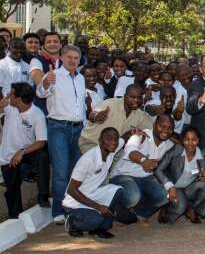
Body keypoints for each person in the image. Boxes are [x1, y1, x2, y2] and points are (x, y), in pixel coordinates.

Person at [36, 44, 86, 224]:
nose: (73, 61)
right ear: (62, 58)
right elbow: (40, 93)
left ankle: (71, 207)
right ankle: (58, 210)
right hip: (58, 128)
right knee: (61, 171)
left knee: (75, 171)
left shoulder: (81, 78)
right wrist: (46, 82)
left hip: (78, 128)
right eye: (69, 57)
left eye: (76, 58)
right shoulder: (53, 75)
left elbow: (81, 106)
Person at [63, 128, 136, 239]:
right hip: (75, 202)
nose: (113, 142)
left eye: (115, 139)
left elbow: (124, 137)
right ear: (100, 141)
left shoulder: (112, 149)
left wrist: (134, 131)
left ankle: (100, 228)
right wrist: (98, 207)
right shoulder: (88, 159)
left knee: (118, 190)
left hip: (93, 194)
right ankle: (73, 222)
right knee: (96, 219)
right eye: (109, 139)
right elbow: (71, 190)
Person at [110, 114, 176, 220]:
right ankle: (113, 208)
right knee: (133, 196)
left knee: (165, 195)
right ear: (154, 125)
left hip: (146, 178)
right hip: (123, 175)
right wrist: (143, 160)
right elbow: (131, 151)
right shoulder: (141, 136)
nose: (165, 131)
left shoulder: (169, 144)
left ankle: (138, 214)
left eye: (169, 128)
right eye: (162, 126)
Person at [0, 83, 50, 217]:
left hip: (27, 155)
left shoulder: (37, 114)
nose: (8, 96)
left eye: (11, 94)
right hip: (7, 158)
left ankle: (43, 194)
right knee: (12, 190)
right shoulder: (9, 107)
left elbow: (41, 141)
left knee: (42, 155)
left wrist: (22, 152)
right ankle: (15, 217)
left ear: (19, 99)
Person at [155, 126, 205, 224]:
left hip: (188, 188)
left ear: (198, 140)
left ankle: (191, 209)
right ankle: (167, 209)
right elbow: (158, 169)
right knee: (180, 208)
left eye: (193, 140)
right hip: (173, 187)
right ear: (182, 140)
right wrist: (169, 185)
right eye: (186, 140)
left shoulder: (203, 155)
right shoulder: (176, 150)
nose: (190, 143)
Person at [78, 84, 152, 153]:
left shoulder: (140, 114)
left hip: (112, 150)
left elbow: (152, 129)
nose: (136, 100)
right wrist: (96, 116)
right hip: (92, 144)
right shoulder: (110, 104)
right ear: (125, 96)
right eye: (132, 97)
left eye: (139, 97)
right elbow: (93, 114)